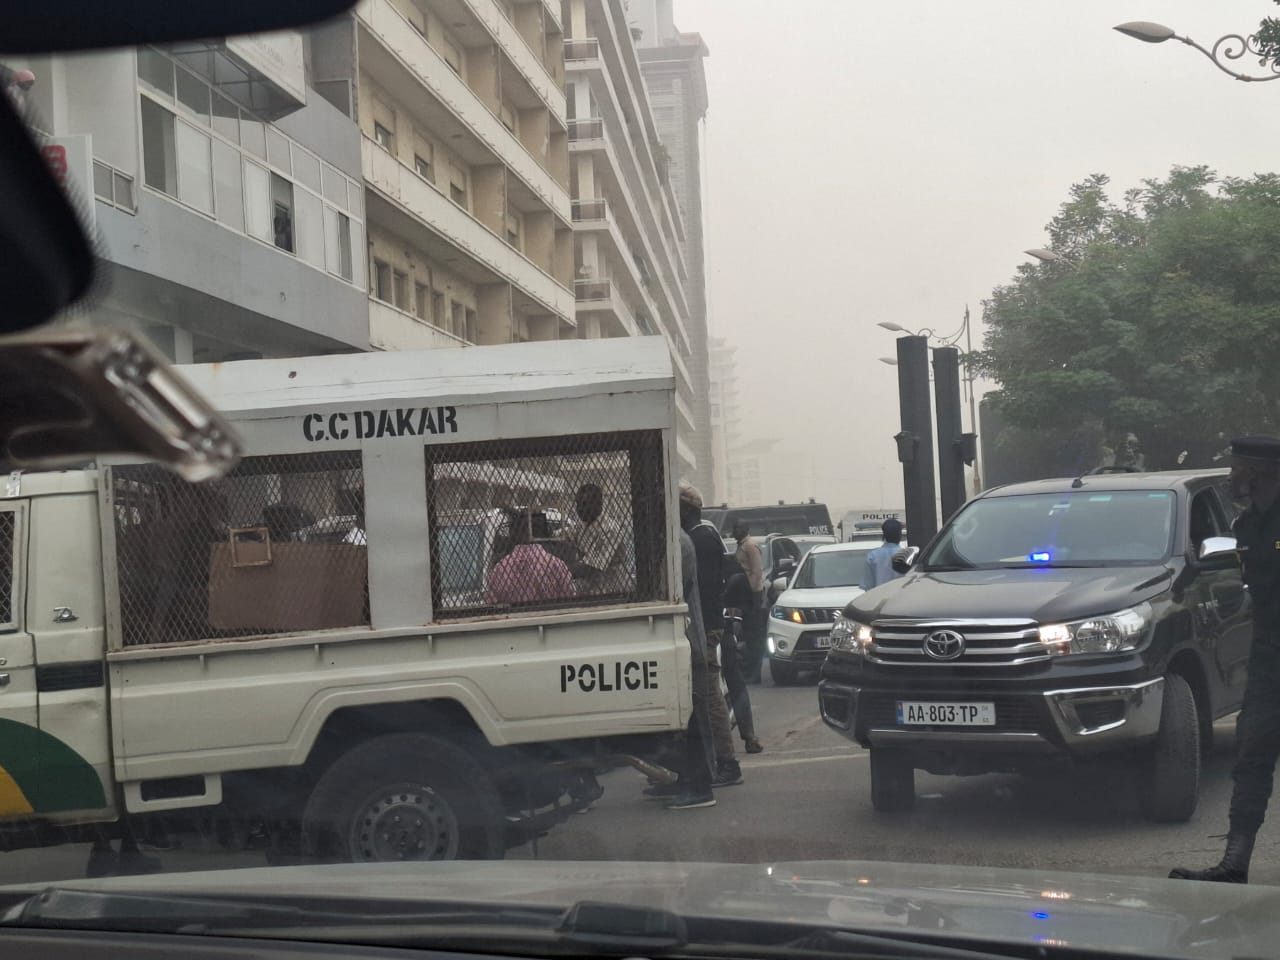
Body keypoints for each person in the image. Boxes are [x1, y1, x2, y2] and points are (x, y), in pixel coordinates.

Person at [1170, 436, 1280, 884]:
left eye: (1238, 469)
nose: (1232, 476)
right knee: (1251, 754)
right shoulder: (1246, 526)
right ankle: (1235, 864)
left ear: (1261, 472)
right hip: (1268, 656)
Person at [680, 483, 751, 785]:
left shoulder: (698, 540)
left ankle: (726, 763)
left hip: (704, 627)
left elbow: (701, 589)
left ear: (685, 510)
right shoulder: (706, 535)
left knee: (710, 697)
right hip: (704, 625)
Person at [653, 525, 716, 809]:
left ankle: (701, 785)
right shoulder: (672, 540)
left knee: (693, 715)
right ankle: (686, 779)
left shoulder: (679, 543)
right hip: (683, 641)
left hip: (688, 641)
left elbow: (672, 590)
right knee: (682, 717)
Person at [485, 509, 574, 606]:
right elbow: (569, 602)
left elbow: (492, 607)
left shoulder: (500, 570)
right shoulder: (557, 565)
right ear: (542, 533)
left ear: (513, 533)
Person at [567, 482, 629, 595]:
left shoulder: (610, 530)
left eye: (585, 504)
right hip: (591, 592)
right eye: (578, 504)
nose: (580, 508)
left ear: (599, 504)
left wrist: (559, 571)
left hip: (612, 594)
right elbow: (565, 536)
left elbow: (591, 568)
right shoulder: (583, 526)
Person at [733, 519, 766, 683]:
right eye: (734, 527)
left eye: (739, 527)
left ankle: (755, 673)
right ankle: (750, 670)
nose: (735, 530)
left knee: (754, 635)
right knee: (748, 635)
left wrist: (751, 593)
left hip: (753, 595)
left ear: (746, 529)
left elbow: (756, 570)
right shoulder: (741, 545)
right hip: (745, 595)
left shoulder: (750, 546)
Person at [861, 518, 906, 590]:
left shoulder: (872, 556)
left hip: (878, 598)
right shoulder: (907, 555)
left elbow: (867, 585)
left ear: (884, 535)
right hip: (901, 598)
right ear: (900, 535)